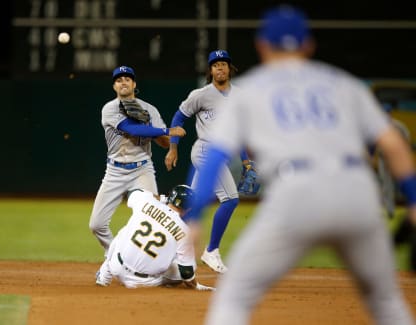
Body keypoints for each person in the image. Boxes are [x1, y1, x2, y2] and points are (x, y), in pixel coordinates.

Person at [189, 5, 416, 325]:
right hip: (357, 192)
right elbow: (393, 144)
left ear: (262, 46)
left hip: (297, 193)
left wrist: (196, 215)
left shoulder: (249, 91)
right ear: (309, 45)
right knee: (386, 301)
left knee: (234, 298)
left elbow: (213, 155)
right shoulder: (345, 84)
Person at [165, 49, 257, 273]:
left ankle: (165, 252)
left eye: (223, 64)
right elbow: (179, 117)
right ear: (210, 70)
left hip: (221, 154)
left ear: (229, 68)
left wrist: (246, 162)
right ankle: (211, 251)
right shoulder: (201, 94)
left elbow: (239, 133)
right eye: (215, 65)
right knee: (231, 199)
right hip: (205, 151)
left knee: (190, 206)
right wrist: (173, 148)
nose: (220, 68)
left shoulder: (239, 96)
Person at [89, 66, 186, 256]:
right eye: (119, 80)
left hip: (142, 170)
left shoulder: (150, 109)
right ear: (114, 87)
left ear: (134, 84)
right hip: (115, 171)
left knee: (154, 220)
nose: (123, 82)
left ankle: (166, 262)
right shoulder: (110, 108)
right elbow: (132, 129)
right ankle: (116, 256)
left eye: (127, 79)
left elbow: (165, 143)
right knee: (97, 224)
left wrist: (159, 134)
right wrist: (166, 130)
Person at [95, 184, 214, 291]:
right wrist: (196, 286)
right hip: (142, 283)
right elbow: (186, 273)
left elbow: (134, 192)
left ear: (170, 197)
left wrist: (162, 199)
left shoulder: (146, 201)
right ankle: (163, 286)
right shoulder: (184, 231)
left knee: (124, 232)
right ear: (189, 208)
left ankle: (105, 272)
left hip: (117, 266)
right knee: (182, 263)